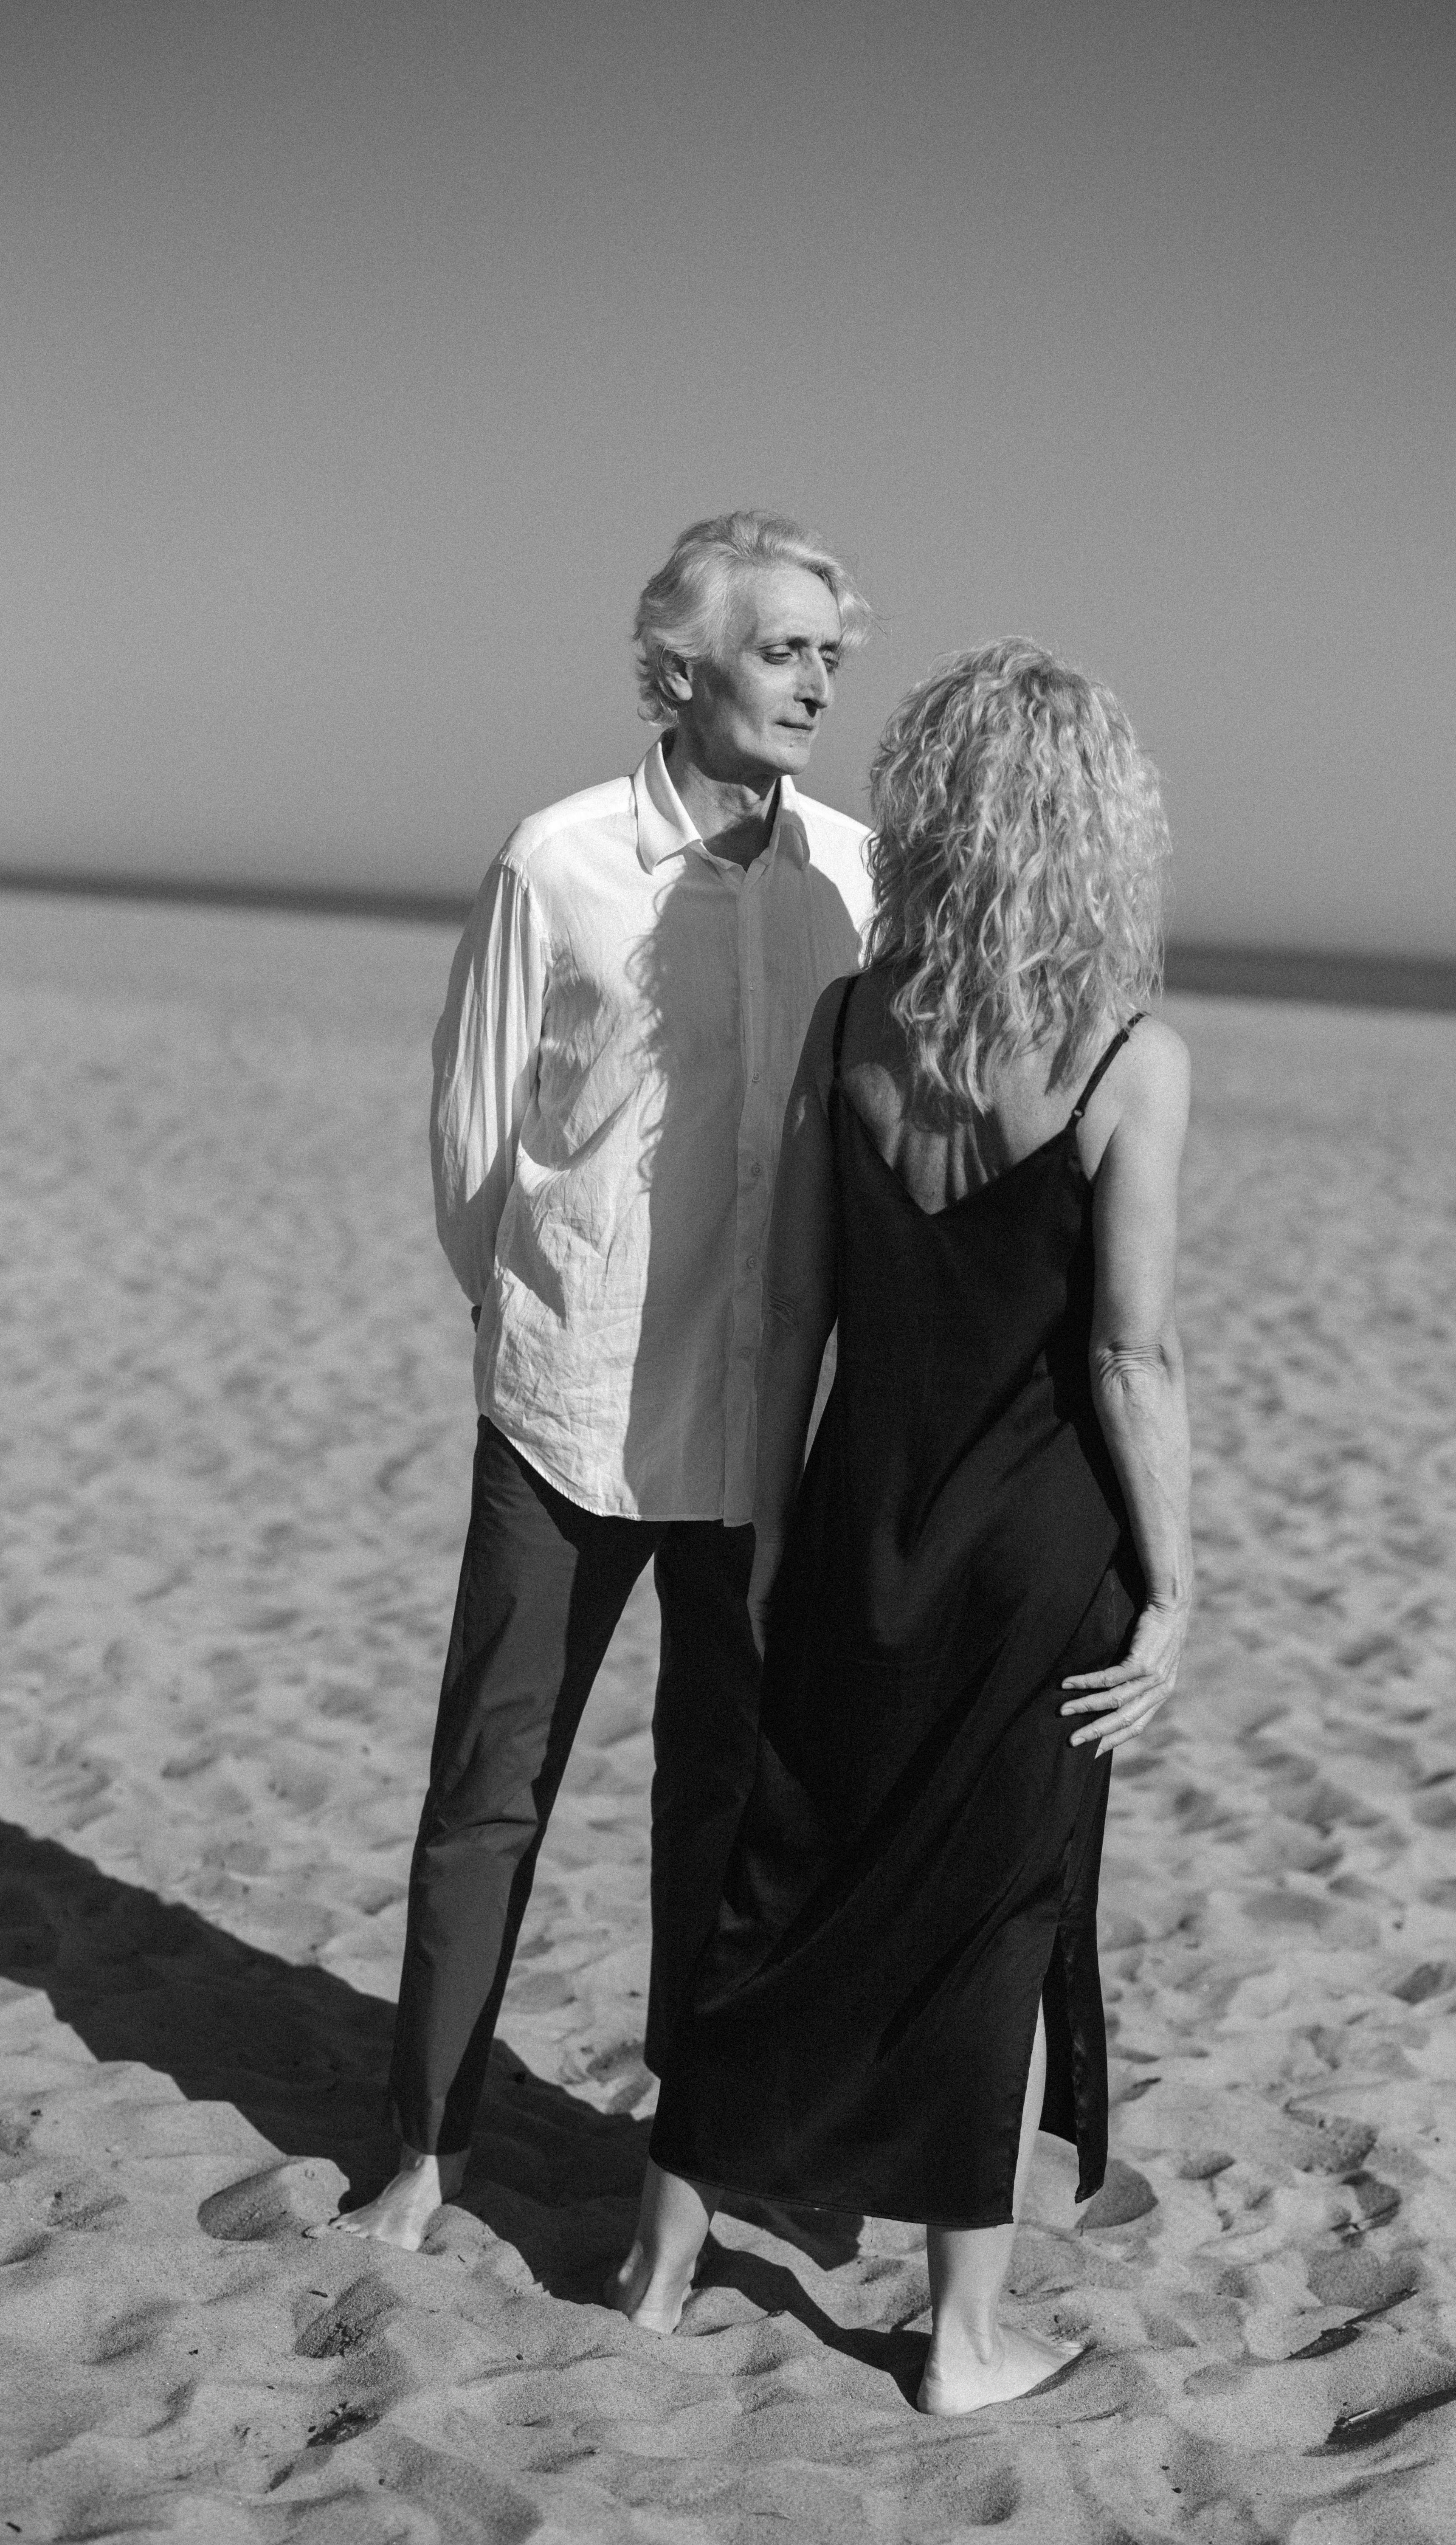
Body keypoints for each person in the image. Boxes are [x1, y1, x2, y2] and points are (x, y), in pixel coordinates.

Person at [611, 638, 1192, 2413]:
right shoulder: (1127, 1058)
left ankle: (656, 2261)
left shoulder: (851, 1019)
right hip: (1035, 1561)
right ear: (1097, 833)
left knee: (773, 1872)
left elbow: (794, 1317)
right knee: (993, 1921)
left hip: (859, 1514)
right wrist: (1177, 1589)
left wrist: (779, 1531)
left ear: (940, 815)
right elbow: (1130, 1350)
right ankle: (961, 2338)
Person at [334, 512, 874, 2251]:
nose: (815, 679)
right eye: (785, 645)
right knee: (489, 1793)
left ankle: (686, 2166)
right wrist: (533, 1318)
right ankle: (426, 2151)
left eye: (829, 655)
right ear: (685, 659)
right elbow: (471, 1137)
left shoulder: (854, 881)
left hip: (759, 1433)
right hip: (563, 1416)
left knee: (724, 1809)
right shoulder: (557, 858)